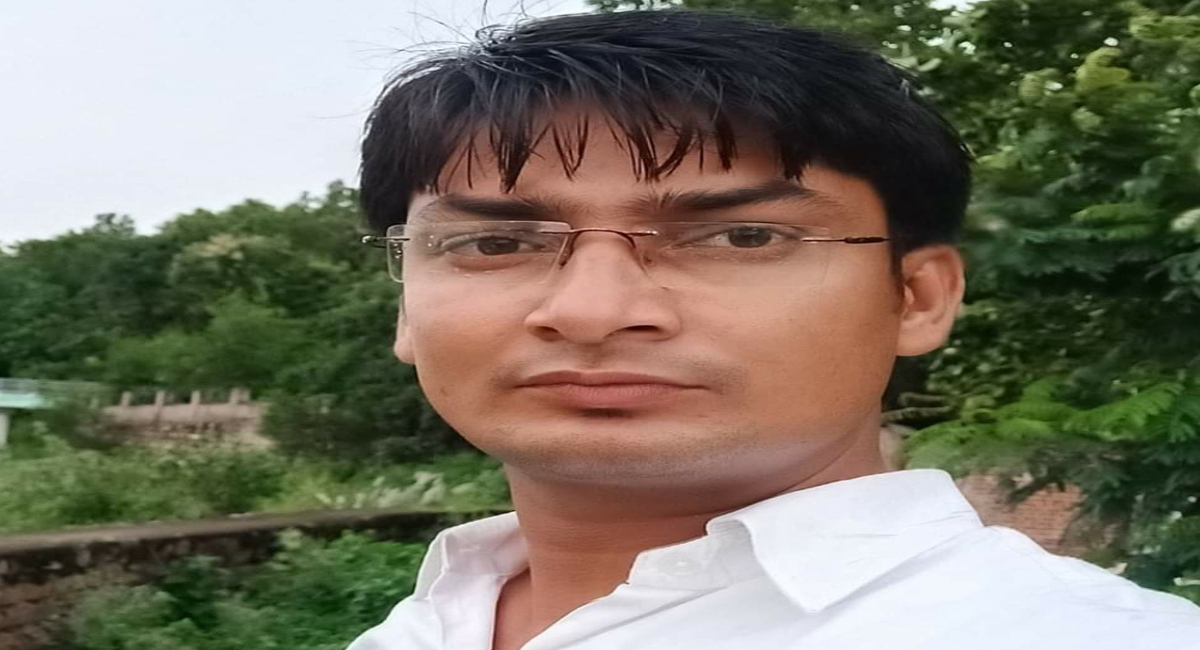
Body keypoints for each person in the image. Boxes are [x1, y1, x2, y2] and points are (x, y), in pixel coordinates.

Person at [346, 9, 1200, 650]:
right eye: (494, 243)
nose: (591, 311)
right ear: (407, 306)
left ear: (917, 297)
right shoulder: (416, 631)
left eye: (740, 237)